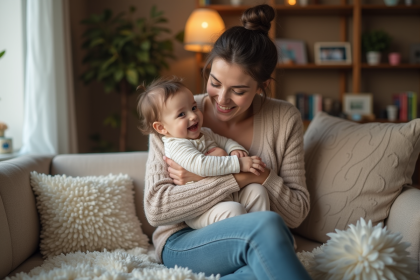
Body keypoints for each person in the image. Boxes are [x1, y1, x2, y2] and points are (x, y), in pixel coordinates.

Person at [143, 4, 312, 279]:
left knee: (262, 246)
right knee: (264, 226)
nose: (221, 99)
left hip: (255, 237)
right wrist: (242, 177)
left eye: (239, 90)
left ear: (262, 86)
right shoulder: (173, 113)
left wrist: (259, 177)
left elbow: (296, 213)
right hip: (183, 240)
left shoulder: (284, 118)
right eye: (215, 82)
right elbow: (157, 209)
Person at [137, 77, 270, 230]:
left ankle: (264, 233)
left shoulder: (204, 133)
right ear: (161, 128)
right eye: (181, 114)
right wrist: (239, 164)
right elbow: (201, 165)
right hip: (201, 210)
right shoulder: (175, 145)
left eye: (193, 108)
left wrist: (235, 149)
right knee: (234, 210)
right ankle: (246, 244)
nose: (193, 116)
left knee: (257, 191)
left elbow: (224, 141)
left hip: (227, 193)